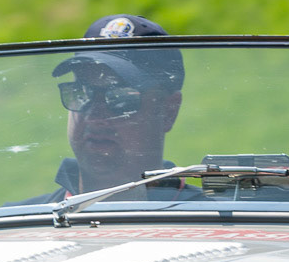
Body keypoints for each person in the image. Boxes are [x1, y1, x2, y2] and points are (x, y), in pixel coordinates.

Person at [47, 14, 186, 199]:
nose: (94, 117)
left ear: (169, 111)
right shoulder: (22, 221)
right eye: (83, 92)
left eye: (121, 99)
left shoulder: (210, 222)